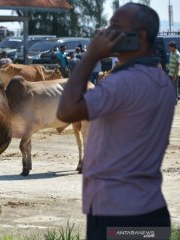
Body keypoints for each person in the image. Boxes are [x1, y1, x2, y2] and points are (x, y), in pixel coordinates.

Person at [57, 3, 174, 240]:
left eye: (115, 27)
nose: (106, 34)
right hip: (149, 210)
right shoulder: (162, 82)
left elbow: (66, 111)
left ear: (139, 37)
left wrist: (91, 56)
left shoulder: (122, 83)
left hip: (118, 213)